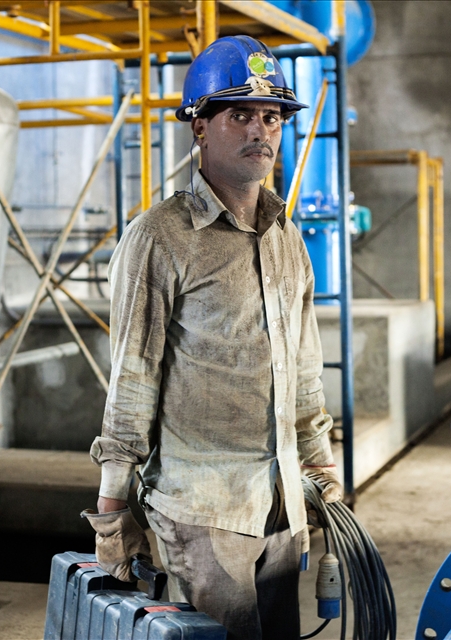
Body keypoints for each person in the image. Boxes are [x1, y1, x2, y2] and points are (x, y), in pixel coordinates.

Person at [82, 35, 342, 640]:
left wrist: (321, 469)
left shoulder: (287, 239)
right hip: (202, 514)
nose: (262, 131)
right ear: (199, 128)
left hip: (281, 504)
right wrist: (113, 514)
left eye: (272, 117)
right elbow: (132, 378)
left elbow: (304, 370)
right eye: (240, 115)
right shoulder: (161, 238)